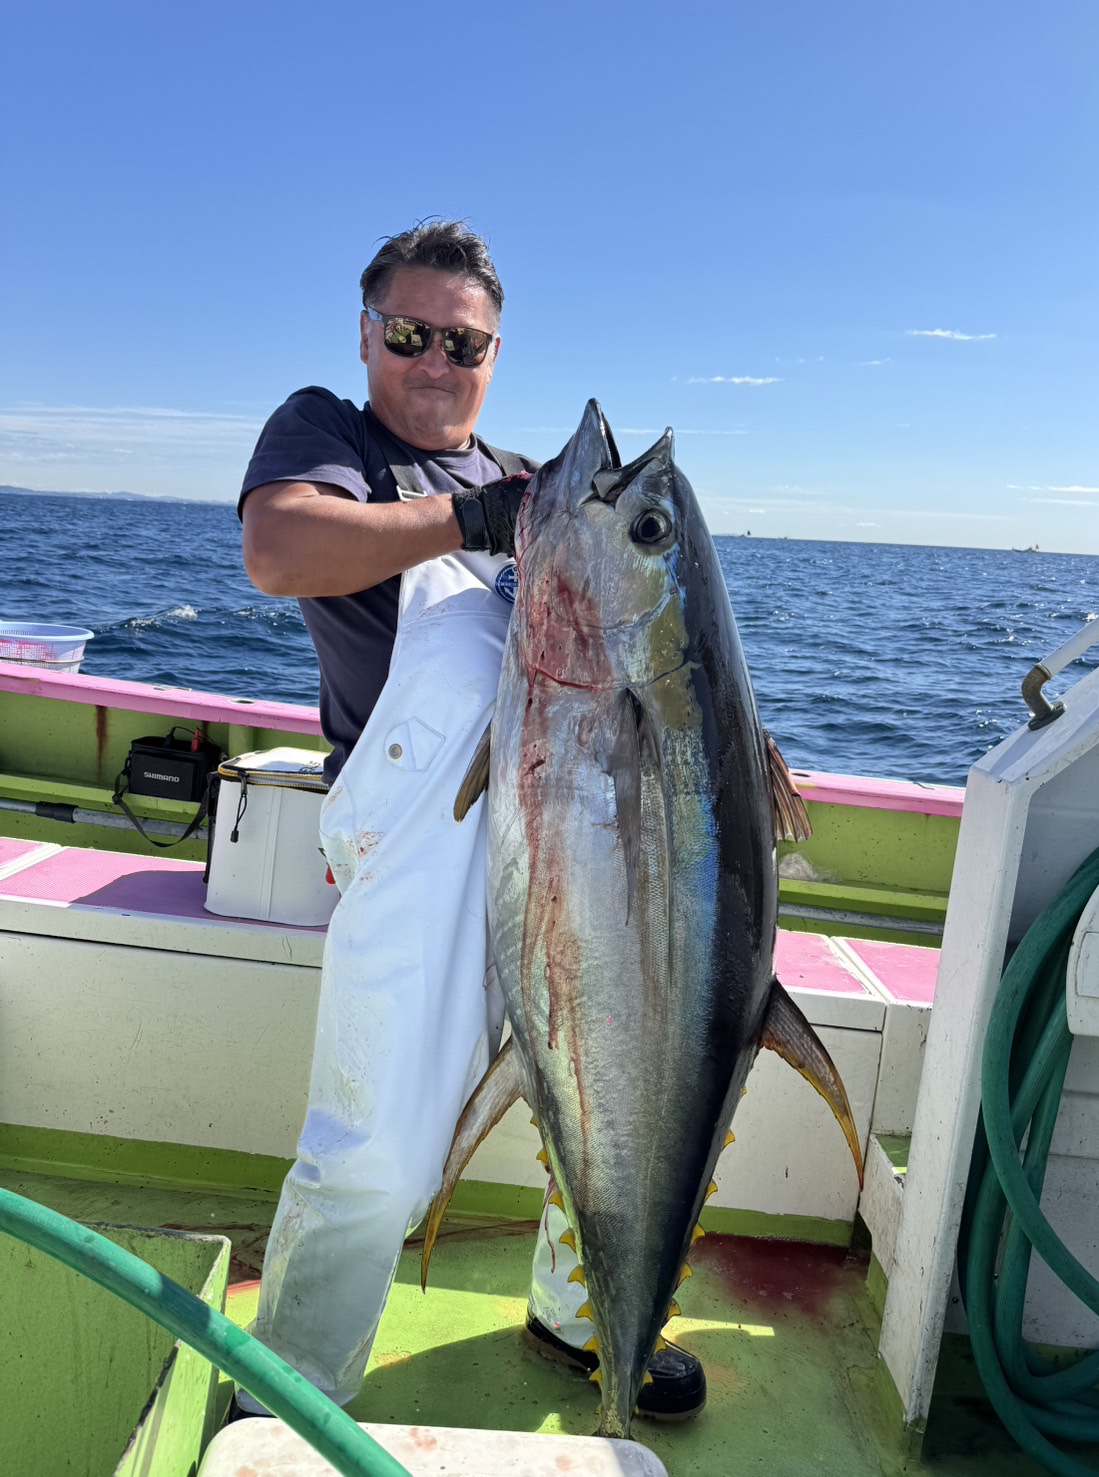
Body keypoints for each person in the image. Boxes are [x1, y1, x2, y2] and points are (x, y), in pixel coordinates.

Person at [233, 219, 706, 1422]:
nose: (436, 361)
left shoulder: (527, 480)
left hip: (557, 819)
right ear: (366, 335)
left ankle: (578, 1309)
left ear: (495, 354)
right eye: (410, 334)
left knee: (606, 1070)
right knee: (378, 1152)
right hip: (418, 852)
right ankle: (290, 1390)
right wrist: (473, 522)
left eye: (465, 342)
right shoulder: (332, 435)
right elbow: (278, 549)